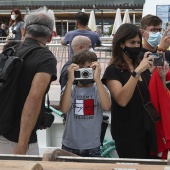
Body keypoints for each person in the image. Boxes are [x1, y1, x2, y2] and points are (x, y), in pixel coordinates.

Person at [102, 23, 169, 159]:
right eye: (132, 42)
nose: (137, 46)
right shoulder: (113, 71)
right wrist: (137, 72)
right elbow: (122, 100)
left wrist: (161, 77)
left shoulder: (140, 65)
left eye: (139, 42)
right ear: (121, 44)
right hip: (129, 133)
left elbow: (151, 91)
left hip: (149, 129)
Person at [0, 6, 57, 155]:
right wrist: (22, 145)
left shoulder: (10, 50)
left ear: (24, 31)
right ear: (50, 36)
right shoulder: (45, 58)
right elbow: (33, 100)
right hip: (17, 140)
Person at [60, 50, 111, 157]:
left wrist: (97, 79)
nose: (85, 72)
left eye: (88, 68)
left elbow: (106, 106)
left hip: (92, 146)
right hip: (69, 145)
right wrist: (69, 81)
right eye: (81, 68)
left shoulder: (99, 89)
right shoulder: (70, 89)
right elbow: (64, 109)